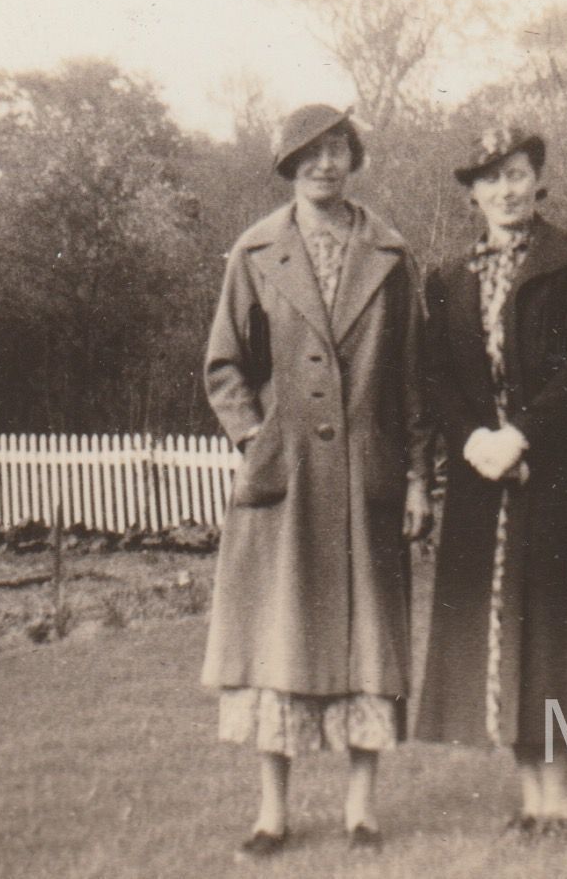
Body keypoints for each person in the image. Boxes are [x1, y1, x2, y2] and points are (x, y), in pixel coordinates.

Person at [200, 103, 432, 858]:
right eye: (310, 152)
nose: (325, 164)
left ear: (353, 159)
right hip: (285, 483)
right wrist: (255, 440)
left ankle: (362, 811)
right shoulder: (254, 251)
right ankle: (272, 815)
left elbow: (414, 381)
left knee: (370, 646)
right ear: (287, 165)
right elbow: (225, 365)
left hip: (369, 478)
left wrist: (416, 479)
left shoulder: (391, 254)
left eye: (338, 149)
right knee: (278, 642)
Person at [414, 125, 567, 842]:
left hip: (560, 474)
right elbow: (437, 377)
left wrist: (520, 435)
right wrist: (475, 441)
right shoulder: (447, 279)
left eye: (517, 173)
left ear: (538, 180)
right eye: (490, 178)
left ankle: (561, 801)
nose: (506, 190)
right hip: (483, 479)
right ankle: (529, 797)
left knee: (553, 633)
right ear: (472, 193)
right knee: (501, 635)